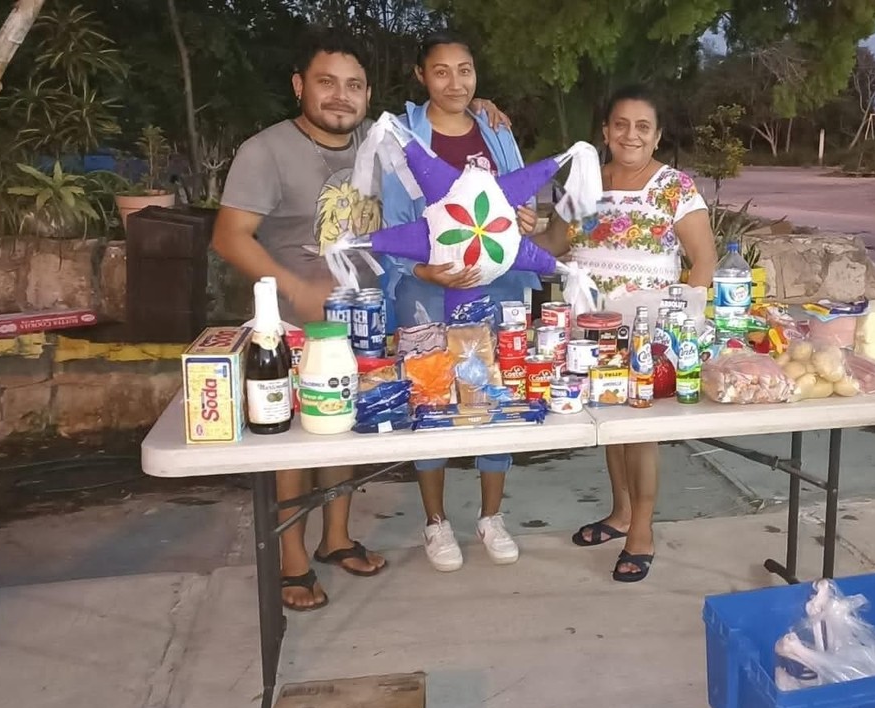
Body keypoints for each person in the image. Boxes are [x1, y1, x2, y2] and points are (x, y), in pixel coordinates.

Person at [212, 28, 509, 610]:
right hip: (296, 327)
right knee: (296, 447)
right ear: (300, 86)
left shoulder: (385, 141)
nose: (340, 97)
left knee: (342, 433)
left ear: (369, 93)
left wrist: (478, 107)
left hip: (365, 322)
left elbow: (441, 131)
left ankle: (337, 537)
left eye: (353, 86)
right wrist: (297, 289)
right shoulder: (266, 150)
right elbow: (229, 236)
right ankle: (292, 560)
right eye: (326, 83)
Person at [381, 31, 548, 573]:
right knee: (431, 393)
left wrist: (529, 222)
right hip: (428, 289)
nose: (456, 82)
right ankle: (435, 522)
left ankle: (491, 516)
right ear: (421, 76)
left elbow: (520, 205)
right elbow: (392, 219)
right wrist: (420, 269)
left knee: (493, 390)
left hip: (494, 286)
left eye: (466, 70)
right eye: (441, 71)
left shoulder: (495, 131)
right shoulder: (404, 137)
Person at [537, 85, 717, 582]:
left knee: (641, 434)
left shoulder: (674, 187)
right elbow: (553, 243)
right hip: (590, 328)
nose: (630, 134)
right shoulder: (584, 185)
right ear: (605, 131)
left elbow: (703, 260)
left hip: (650, 333)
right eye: (620, 124)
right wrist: (516, 230)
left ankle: (643, 529)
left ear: (657, 134)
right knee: (612, 428)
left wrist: (680, 327)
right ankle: (619, 514)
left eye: (642, 126)